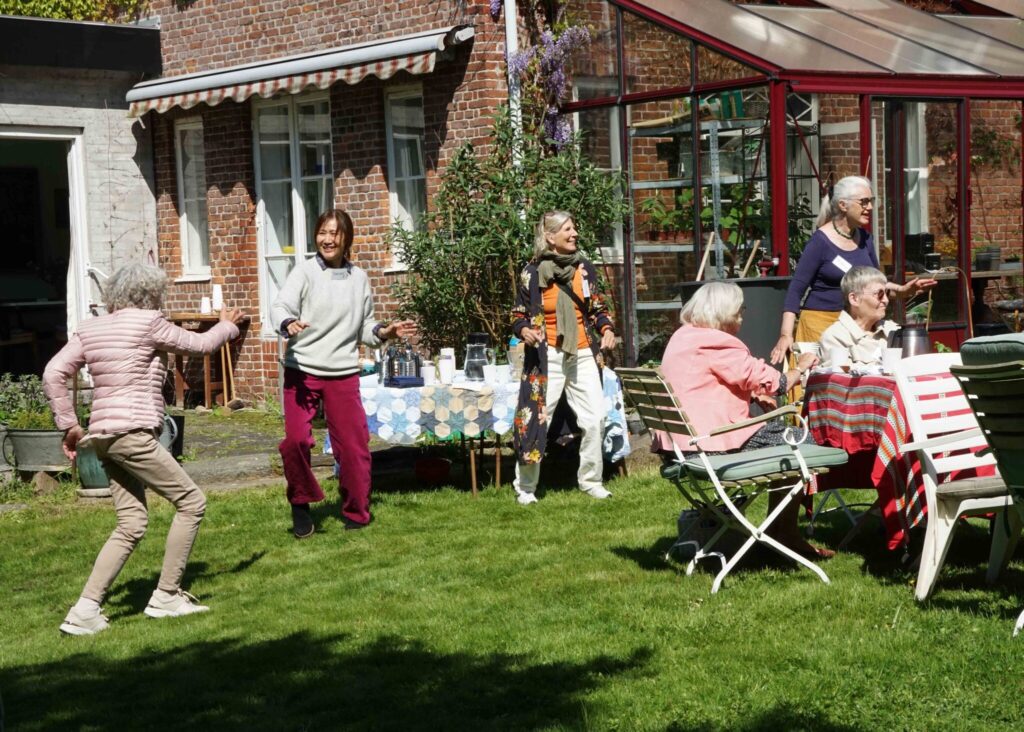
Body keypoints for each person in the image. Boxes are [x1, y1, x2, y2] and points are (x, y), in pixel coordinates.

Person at [43, 263, 245, 635]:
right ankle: (167, 595)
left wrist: (70, 425)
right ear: (152, 293)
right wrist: (228, 326)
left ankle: (85, 611)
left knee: (131, 523)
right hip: (132, 434)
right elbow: (200, 345)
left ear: (115, 295)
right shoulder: (148, 322)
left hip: (103, 437)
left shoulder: (90, 329)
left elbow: (53, 373)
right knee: (191, 502)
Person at [654, 281, 828, 557]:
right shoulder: (716, 342)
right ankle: (784, 533)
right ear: (722, 314)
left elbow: (713, 380)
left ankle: (778, 531)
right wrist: (802, 367)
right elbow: (778, 383)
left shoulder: (684, 337)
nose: (741, 318)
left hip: (677, 449)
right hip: (708, 446)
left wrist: (754, 393)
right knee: (801, 440)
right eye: (738, 312)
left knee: (784, 440)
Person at [272, 208, 415, 538]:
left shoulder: (359, 278)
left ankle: (356, 511)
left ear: (346, 239)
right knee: (295, 441)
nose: (328, 239)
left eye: (335, 233)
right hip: (301, 370)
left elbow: (365, 327)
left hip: (342, 372)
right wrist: (287, 323)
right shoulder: (304, 273)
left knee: (353, 447)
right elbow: (280, 306)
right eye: (323, 232)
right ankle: (300, 501)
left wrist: (385, 332)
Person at [770, 175, 935, 366]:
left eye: (871, 201)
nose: (870, 208)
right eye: (864, 202)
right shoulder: (820, 242)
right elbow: (795, 291)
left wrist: (903, 290)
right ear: (843, 205)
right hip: (819, 324)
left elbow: (874, 284)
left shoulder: (865, 239)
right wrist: (785, 335)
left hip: (855, 326)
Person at [511, 210, 616, 505]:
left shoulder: (584, 269)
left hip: (583, 353)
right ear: (550, 237)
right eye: (567, 230)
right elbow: (517, 316)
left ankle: (591, 481)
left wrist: (606, 328)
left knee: (595, 418)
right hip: (548, 358)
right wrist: (525, 331)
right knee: (536, 420)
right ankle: (526, 487)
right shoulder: (531, 273)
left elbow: (596, 308)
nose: (574, 234)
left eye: (575, 229)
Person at [819, 266, 899, 370]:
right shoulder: (835, 337)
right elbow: (841, 381)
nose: (886, 300)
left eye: (887, 293)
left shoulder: (892, 330)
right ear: (854, 299)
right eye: (879, 294)